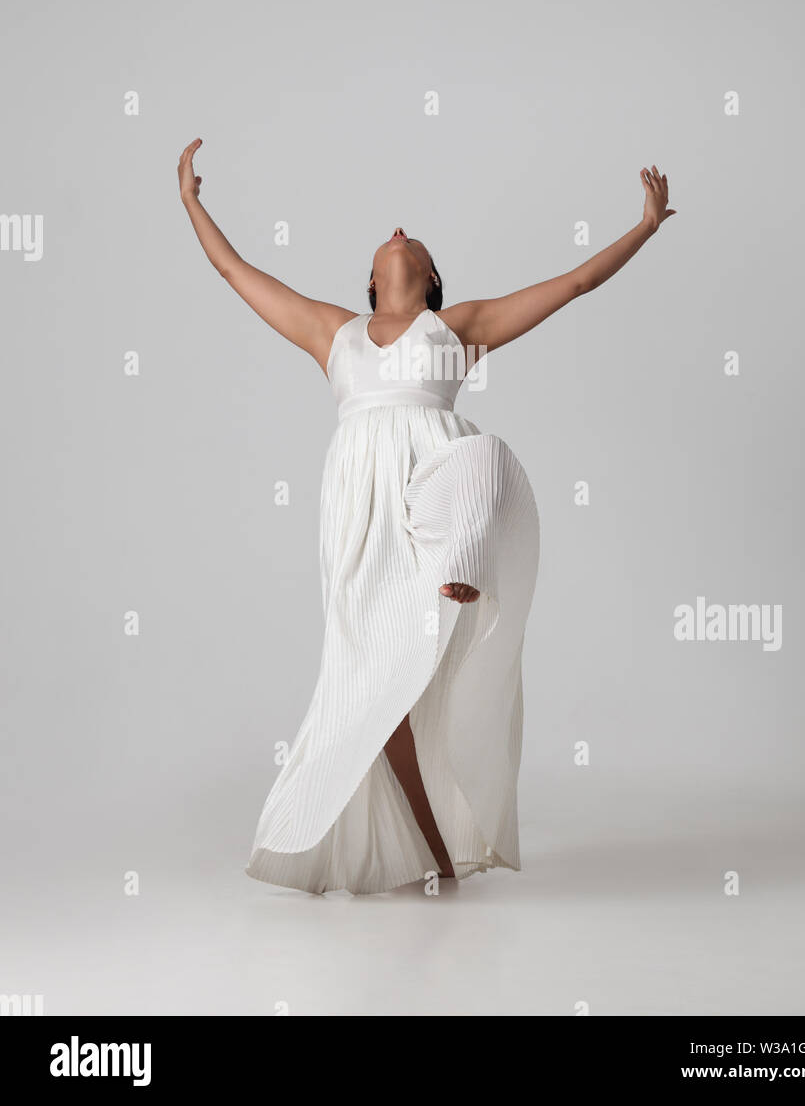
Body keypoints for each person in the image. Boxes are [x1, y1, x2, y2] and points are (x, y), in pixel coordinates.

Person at [178, 139, 675, 894]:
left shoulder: (458, 328)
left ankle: (462, 570)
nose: (401, 228)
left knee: (485, 460)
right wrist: (192, 202)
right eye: (388, 242)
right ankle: (435, 848)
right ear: (372, 280)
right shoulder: (332, 332)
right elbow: (234, 270)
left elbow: (573, 282)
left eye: (418, 242)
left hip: (439, 498)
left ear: (431, 280)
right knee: (376, 678)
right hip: (359, 512)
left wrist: (643, 228)